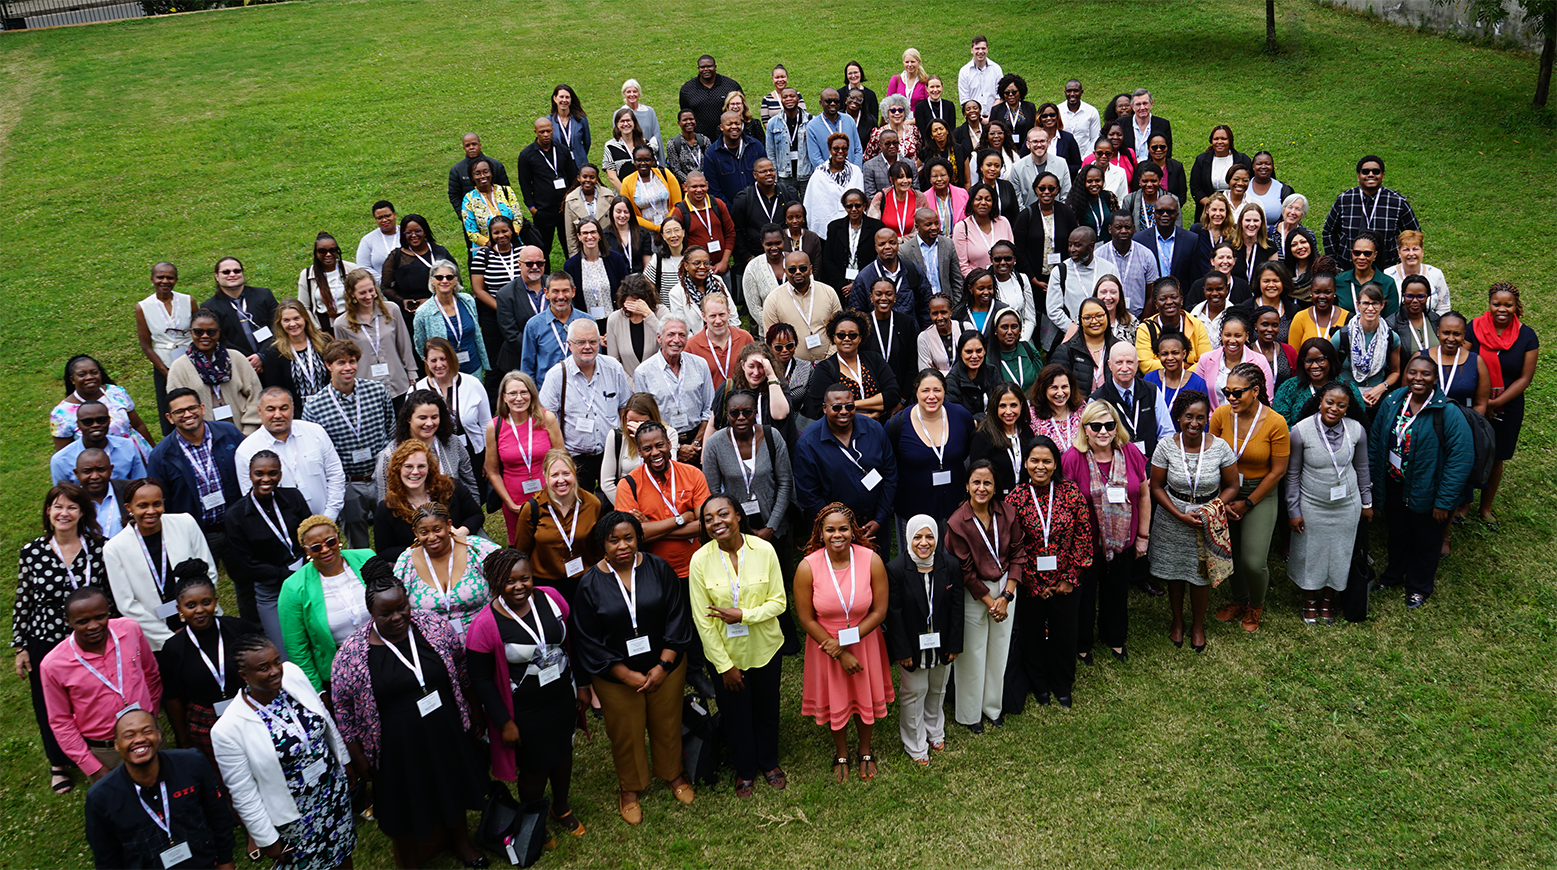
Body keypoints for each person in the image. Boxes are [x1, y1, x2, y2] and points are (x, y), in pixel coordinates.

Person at [330, 563, 487, 867]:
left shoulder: (433, 626)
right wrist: (356, 755)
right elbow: (343, 709)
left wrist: (474, 709)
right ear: (371, 614)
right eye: (386, 614)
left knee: (451, 782)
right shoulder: (351, 653)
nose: (397, 617)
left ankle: (461, 842)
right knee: (406, 800)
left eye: (402, 608)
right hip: (395, 744)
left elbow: (460, 668)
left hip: (445, 727)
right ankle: (411, 859)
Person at [572, 511, 697, 823]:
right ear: (603, 544)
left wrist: (663, 665)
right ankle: (630, 787)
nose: (622, 546)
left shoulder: (659, 568)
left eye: (628, 538)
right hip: (616, 677)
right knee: (625, 731)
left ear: (638, 538)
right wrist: (625, 674)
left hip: (664, 666)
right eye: (614, 540)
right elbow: (587, 639)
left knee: (667, 721)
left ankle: (673, 774)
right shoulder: (588, 585)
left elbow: (677, 617)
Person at [466, 547, 586, 840]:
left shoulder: (551, 598)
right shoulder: (484, 625)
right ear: (495, 584)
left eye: (525, 578)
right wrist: (504, 721)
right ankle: (534, 819)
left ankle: (561, 806)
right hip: (524, 709)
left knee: (562, 753)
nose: (519, 586)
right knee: (534, 768)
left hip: (561, 695)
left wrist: (582, 686)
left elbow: (572, 641)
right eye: (510, 581)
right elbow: (480, 679)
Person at [211, 633, 356, 869]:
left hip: (332, 792)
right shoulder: (228, 729)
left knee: (342, 856)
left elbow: (324, 716)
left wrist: (345, 760)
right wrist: (267, 839)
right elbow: (243, 792)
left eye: (276, 661)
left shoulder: (293, 675)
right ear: (244, 675)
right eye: (263, 668)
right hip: (294, 817)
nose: (275, 671)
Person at [14, 484, 113, 793]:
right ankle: (58, 762)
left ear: (82, 511)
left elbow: (111, 593)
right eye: (57, 507)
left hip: (93, 637)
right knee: (49, 702)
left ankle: (99, 748)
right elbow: (23, 599)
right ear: (48, 512)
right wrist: (20, 645)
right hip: (47, 638)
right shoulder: (32, 552)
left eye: (71, 507)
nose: (64, 513)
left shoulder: (100, 547)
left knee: (94, 695)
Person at [686, 495, 788, 795]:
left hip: (766, 648)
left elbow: (779, 603)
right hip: (727, 655)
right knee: (735, 712)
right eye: (709, 518)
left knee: (767, 707)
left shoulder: (764, 550)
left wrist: (744, 615)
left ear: (738, 515)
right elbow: (702, 621)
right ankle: (744, 769)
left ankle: (769, 761)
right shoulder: (700, 560)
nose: (717, 522)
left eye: (723, 514)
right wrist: (724, 666)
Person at [793, 502, 893, 781]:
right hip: (825, 645)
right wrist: (837, 650)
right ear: (820, 533)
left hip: (865, 639)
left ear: (853, 531)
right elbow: (806, 618)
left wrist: (850, 640)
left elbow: (880, 610)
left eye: (843, 529)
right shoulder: (807, 567)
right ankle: (840, 753)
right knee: (836, 698)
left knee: (864, 696)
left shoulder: (870, 559)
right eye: (830, 530)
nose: (837, 535)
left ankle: (865, 750)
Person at [1369, 357, 1472, 607]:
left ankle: (1419, 587)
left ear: (1435, 379)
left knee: (1427, 541)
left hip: (1430, 490)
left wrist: (1444, 502)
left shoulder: (1447, 411)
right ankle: (1393, 575)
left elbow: (1461, 460)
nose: (1418, 378)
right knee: (1397, 533)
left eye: (1425, 374)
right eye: (1412, 372)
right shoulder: (1393, 402)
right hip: (1395, 485)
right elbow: (1376, 442)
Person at [83, 707, 234, 869]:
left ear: (159, 735)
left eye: (147, 731)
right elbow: (106, 857)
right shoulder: (101, 797)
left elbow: (218, 816)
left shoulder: (192, 764)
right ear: (117, 746)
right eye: (129, 735)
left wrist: (225, 859)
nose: (139, 739)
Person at [1148, 389, 1240, 651]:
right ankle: (1177, 621)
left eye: (1200, 417)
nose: (1194, 423)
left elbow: (1232, 485)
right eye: (1189, 416)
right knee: (1175, 573)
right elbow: (1156, 486)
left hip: (1206, 518)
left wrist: (1212, 508)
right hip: (1171, 517)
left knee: (1201, 574)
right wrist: (1178, 515)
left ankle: (1197, 625)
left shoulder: (1220, 447)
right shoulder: (1165, 445)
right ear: (1179, 417)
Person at [1061, 400, 1150, 664]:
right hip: (1086, 544)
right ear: (1085, 428)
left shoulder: (1130, 452)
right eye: (1096, 425)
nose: (1103, 431)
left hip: (1123, 540)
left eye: (1109, 425)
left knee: (1117, 590)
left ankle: (1115, 638)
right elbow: (1066, 504)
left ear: (1116, 427)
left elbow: (1144, 495)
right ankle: (1083, 643)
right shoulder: (1072, 458)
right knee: (1085, 596)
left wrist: (1143, 537)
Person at [40, 586, 160, 781]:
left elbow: (151, 675)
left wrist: (151, 716)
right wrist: (93, 767)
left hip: (147, 735)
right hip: (105, 751)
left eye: (100, 617)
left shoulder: (130, 630)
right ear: (68, 622)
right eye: (83, 622)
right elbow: (60, 721)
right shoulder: (53, 665)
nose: (93, 626)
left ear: (108, 611)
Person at [1207, 363, 1290, 633]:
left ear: (1255, 391)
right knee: (1231, 554)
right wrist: (1224, 498)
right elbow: (1211, 458)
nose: (1230, 398)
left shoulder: (1276, 422)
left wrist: (1248, 502)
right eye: (1226, 392)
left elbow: (1278, 472)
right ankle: (1239, 600)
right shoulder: (1220, 415)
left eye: (1237, 393)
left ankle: (1256, 604)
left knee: (1253, 561)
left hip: (1260, 493)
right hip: (1226, 491)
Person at [944, 460, 1024, 730]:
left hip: (1005, 588)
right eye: (976, 482)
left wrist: (1007, 595)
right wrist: (993, 603)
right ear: (966, 486)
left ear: (995, 487)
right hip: (974, 593)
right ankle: (971, 714)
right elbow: (965, 573)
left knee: (999, 651)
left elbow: (1017, 554)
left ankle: (992, 708)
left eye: (987, 482)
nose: (981, 487)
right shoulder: (957, 522)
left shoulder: (1008, 513)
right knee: (973, 655)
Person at [1284, 382, 1372, 623]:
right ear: (1320, 401)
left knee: (1340, 553)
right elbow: (1292, 474)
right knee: (1310, 553)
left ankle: (1328, 600)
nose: (1334, 408)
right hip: (1312, 504)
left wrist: (1367, 503)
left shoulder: (1357, 430)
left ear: (1348, 407)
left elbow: (1363, 468)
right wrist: (1293, 510)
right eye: (1329, 402)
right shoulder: (1300, 431)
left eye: (1341, 405)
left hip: (1347, 505)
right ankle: (1310, 599)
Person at [102, 477, 220, 651]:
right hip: (157, 637)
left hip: (201, 620)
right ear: (129, 508)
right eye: (142, 506)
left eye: (157, 504)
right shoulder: (115, 548)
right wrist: (170, 639)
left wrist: (198, 615)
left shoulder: (185, 523)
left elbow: (208, 571)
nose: (151, 511)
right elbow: (127, 604)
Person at [882, 513, 961, 764]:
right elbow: (893, 614)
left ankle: (935, 730)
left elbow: (957, 608)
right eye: (917, 537)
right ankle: (915, 743)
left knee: (938, 688)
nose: (924, 542)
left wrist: (955, 643)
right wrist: (902, 651)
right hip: (912, 646)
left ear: (937, 538)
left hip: (942, 643)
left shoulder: (950, 565)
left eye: (929, 536)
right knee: (915, 692)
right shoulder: (895, 569)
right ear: (908, 538)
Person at [302, 340, 396, 549]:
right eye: (341, 362)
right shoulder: (314, 406)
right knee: (357, 540)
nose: (348, 368)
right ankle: (363, 574)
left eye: (352, 361)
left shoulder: (377, 391)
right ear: (328, 365)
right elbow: (315, 450)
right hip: (348, 483)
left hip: (382, 476)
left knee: (392, 530)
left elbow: (391, 427)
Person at [158, 567, 250, 771]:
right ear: (179, 609)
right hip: (204, 722)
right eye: (190, 605)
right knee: (221, 775)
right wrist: (184, 741)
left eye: (206, 602)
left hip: (246, 709)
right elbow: (173, 699)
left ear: (215, 602)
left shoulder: (239, 629)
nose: (199, 610)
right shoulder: (173, 649)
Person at [792, 382, 897, 551]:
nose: (844, 412)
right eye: (836, 407)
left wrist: (880, 518)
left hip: (876, 526)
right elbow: (809, 495)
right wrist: (841, 527)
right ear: (825, 408)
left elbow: (890, 474)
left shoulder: (875, 430)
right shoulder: (808, 443)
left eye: (849, 406)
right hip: (835, 532)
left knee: (878, 573)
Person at [275, 516, 373, 695]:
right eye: (316, 547)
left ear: (338, 538)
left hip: (385, 651)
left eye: (330, 541)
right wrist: (318, 691)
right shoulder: (294, 587)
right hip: (342, 671)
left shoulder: (366, 557)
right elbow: (297, 648)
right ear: (306, 551)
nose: (326, 549)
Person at [1469, 281, 1539, 530]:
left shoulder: (1527, 336)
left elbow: (1525, 378)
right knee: (1468, 450)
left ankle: (1485, 507)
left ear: (1516, 306)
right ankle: (1463, 504)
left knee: (1498, 455)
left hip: (1507, 404)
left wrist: (1495, 402)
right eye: (1496, 303)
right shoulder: (1473, 328)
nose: (1502, 309)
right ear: (1488, 304)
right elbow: (1464, 363)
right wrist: (1481, 401)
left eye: (1507, 305)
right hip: (1473, 401)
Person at [224, 451, 310, 653]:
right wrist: (286, 576)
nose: (265, 479)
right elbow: (246, 564)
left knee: (317, 639)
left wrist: (305, 570)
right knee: (285, 651)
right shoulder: (236, 515)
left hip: (306, 580)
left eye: (272, 473)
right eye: (259, 473)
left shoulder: (293, 497)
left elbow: (310, 536)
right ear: (250, 475)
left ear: (280, 475)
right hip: (270, 590)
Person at [539, 318, 632, 493]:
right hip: (576, 456)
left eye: (593, 341)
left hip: (611, 453)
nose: (587, 347)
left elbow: (625, 408)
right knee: (582, 508)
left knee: (615, 503)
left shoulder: (613, 368)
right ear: (569, 344)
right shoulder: (557, 375)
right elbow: (546, 420)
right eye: (581, 342)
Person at [392, 502, 501, 641]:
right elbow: (397, 605)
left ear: (449, 525)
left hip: (483, 638)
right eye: (424, 532)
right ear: (415, 532)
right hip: (433, 647)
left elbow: (511, 577)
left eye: (437, 529)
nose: (432, 537)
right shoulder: (406, 562)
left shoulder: (477, 549)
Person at [888, 368, 977, 534]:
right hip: (913, 510)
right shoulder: (898, 423)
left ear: (944, 391)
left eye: (937, 390)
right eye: (925, 390)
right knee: (917, 557)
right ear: (916, 392)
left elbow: (966, 450)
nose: (931, 396)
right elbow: (890, 461)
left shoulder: (961, 416)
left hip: (954, 505)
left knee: (952, 556)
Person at [511, 449, 604, 604]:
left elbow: (598, 550)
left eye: (566, 473)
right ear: (546, 477)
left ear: (574, 473)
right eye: (555, 475)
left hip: (584, 582)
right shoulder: (532, 509)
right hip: (546, 586)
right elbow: (522, 553)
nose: (561, 480)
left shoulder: (592, 504)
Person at [703, 389, 793, 546]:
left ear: (756, 413)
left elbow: (785, 483)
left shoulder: (773, 437)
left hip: (774, 524)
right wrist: (740, 527)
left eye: (747, 412)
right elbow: (713, 492)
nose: (741, 418)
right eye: (734, 413)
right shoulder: (714, 444)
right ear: (727, 415)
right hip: (733, 527)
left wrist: (771, 527)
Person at [484, 371, 565, 542]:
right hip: (515, 501)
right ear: (504, 397)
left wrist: (558, 493)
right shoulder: (494, 426)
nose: (518, 398)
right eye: (512, 393)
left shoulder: (546, 418)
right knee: (522, 545)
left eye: (523, 392)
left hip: (550, 495)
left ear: (531, 394)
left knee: (554, 542)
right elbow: (492, 471)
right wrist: (509, 503)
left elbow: (562, 458)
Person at [374, 441, 483, 567]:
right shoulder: (387, 507)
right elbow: (384, 551)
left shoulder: (450, 488)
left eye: (421, 466)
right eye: (408, 466)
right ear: (398, 469)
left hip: (460, 557)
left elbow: (476, 515)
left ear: (429, 468)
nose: (415, 472)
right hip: (419, 566)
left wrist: (460, 533)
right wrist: (419, 549)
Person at [373, 385, 480, 505]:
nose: (429, 423)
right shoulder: (390, 455)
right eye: (422, 418)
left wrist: (473, 517)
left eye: (434, 417)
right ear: (409, 418)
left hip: (455, 518)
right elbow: (384, 500)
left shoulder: (453, 443)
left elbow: (470, 485)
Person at [166, 310, 263, 434]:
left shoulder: (236, 358)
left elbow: (256, 396)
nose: (205, 336)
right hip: (202, 437)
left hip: (244, 432)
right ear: (191, 333)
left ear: (219, 333)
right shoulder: (179, 367)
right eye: (198, 332)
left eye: (211, 332)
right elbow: (177, 407)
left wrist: (248, 432)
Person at [331, 269, 418, 402]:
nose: (368, 296)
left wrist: (412, 374)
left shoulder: (392, 310)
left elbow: (404, 345)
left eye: (371, 290)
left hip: (398, 384)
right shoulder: (341, 324)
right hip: (367, 391)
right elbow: (344, 360)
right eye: (362, 293)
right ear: (351, 294)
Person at [1322, 155, 1420, 270]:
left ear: (1382, 176)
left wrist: (1402, 262)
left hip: (1386, 270)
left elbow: (1414, 235)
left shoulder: (1398, 203)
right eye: (1365, 172)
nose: (1371, 174)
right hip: (1348, 268)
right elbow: (1329, 232)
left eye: (1376, 171)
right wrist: (1333, 261)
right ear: (1358, 176)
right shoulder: (1344, 200)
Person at [803, 310, 900, 422]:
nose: (847, 339)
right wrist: (867, 417)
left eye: (852, 335)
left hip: (877, 429)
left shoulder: (875, 359)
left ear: (860, 338)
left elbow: (893, 396)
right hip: (841, 432)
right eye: (841, 335)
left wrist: (848, 405)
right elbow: (823, 409)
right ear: (833, 338)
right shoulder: (824, 369)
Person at [134, 262, 197, 433]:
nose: (165, 281)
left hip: (191, 359)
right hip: (164, 363)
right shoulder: (143, 307)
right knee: (169, 406)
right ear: (152, 279)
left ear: (176, 280)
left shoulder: (187, 300)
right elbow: (146, 346)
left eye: (170, 277)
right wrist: (166, 372)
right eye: (160, 277)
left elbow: (198, 331)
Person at [1333, 283, 1401, 419]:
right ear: (1358, 305)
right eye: (1366, 303)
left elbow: (1395, 371)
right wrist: (1353, 393)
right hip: (1346, 403)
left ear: (1382, 305)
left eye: (1375, 304)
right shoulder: (1342, 336)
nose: (1370, 308)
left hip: (1378, 405)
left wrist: (1382, 387)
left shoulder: (1391, 337)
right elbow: (1329, 371)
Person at [202, 255, 279, 376]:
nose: (232, 274)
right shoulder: (210, 308)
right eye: (226, 272)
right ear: (217, 276)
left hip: (273, 359)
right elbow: (219, 340)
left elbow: (277, 325)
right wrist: (248, 360)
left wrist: (262, 355)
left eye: (236, 271)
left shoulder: (264, 295)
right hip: (239, 368)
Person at [411, 262, 489, 381]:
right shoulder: (423, 312)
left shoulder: (468, 301)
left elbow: (475, 332)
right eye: (439, 277)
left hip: (473, 368)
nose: (444, 280)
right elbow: (421, 345)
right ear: (432, 281)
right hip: (444, 372)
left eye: (449, 277)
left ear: (455, 280)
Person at [516, 117, 579, 259]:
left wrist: (572, 202)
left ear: (553, 130)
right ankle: (543, 278)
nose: (546, 134)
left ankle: (573, 276)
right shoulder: (527, 155)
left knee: (570, 245)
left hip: (565, 209)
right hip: (543, 210)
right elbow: (525, 184)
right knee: (543, 248)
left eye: (548, 131)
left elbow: (573, 177)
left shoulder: (562, 150)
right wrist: (532, 208)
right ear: (535, 132)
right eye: (542, 132)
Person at [762, 252, 841, 363]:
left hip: (830, 362)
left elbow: (839, 329)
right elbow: (771, 340)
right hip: (793, 368)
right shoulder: (773, 300)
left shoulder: (828, 292)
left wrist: (829, 360)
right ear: (785, 271)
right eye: (792, 270)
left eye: (803, 268)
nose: (798, 272)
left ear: (811, 269)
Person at [51, 399, 148, 485]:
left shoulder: (128, 447)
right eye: (87, 422)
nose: (95, 425)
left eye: (101, 420)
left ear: (109, 421)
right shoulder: (61, 460)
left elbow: (140, 485)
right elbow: (63, 498)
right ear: (78, 425)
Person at [1274, 338, 1367, 425]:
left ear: (1331, 360)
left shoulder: (1348, 388)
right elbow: (1281, 425)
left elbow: (1359, 423)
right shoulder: (1289, 387)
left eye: (1320, 360)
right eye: (1308, 361)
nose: (1314, 366)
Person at [260, 299, 332, 411]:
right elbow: (276, 390)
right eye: (286, 320)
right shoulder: (274, 352)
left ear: (305, 318)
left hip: (329, 406)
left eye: (296, 318)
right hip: (296, 413)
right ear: (280, 323)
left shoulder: (324, 342)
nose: (292, 324)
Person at [378, 215, 456, 318]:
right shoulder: (396, 257)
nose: (413, 235)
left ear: (425, 231)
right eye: (408, 232)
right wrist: (403, 301)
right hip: (410, 314)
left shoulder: (440, 252)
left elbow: (455, 280)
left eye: (418, 231)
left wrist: (431, 301)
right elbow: (385, 287)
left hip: (441, 309)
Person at [1193, 309, 1273, 409]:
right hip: (1214, 421)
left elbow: (1267, 400)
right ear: (1221, 335)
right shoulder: (1206, 360)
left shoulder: (1260, 361)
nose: (1232, 340)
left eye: (1238, 336)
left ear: (1246, 336)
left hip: (1249, 422)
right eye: (1227, 335)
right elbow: (1197, 397)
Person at [521, 270, 593, 380]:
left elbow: (595, 360)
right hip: (547, 391)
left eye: (565, 291)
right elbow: (527, 367)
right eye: (555, 291)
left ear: (573, 292)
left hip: (582, 389)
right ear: (546, 293)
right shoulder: (534, 325)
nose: (560, 296)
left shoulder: (587, 322)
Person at [859, 276, 924, 392]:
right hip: (870, 394)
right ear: (871, 297)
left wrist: (903, 399)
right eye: (878, 294)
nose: (883, 298)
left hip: (901, 394)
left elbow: (912, 364)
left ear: (895, 297)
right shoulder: (862, 324)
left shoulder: (906, 323)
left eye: (888, 294)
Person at [563, 217, 630, 328]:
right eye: (585, 233)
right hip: (586, 324)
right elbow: (572, 299)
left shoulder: (615, 259)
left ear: (599, 235)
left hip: (616, 322)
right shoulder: (571, 265)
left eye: (593, 232)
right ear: (579, 237)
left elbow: (625, 289)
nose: (589, 236)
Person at [460, 155, 527, 262]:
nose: (482, 176)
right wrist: (492, 245)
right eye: (477, 173)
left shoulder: (506, 191)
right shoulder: (469, 199)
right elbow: (471, 231)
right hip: (486, 251)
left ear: (491, 173)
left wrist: (509, 238)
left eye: (486, 172)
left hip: (513, 245)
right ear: (472, 177)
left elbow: (518, 217)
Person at [1136, 277, 1210, 373]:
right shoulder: (1145, 329)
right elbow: (1146, 366)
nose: (1169, 302)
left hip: (1192, 383)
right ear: (1156, 304)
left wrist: (1183, 373)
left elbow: (1207, 362)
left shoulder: (1196, 324)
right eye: (1163, 299)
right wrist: (1185, 365)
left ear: (1182, 300)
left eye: (1174, 297)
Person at [819, 188, 885, 296]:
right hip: (840, 286)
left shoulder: (876, 227)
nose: (854, 209)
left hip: (868, 285)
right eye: (849, 206)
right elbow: (827, 259)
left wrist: (858, 283)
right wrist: (843, 284)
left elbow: (878, 259)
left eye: (858, 205)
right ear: (844, 207)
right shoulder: (834, 227)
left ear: (864, 206)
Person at [670, 174, 737, 280]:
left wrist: (724, 262)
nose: (699, 190)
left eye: (702, 186)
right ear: (685, 187)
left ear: (707, 185)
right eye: (694, 186)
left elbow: (730, 233)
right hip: (697, 272)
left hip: (722, 269)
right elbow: (676, 243)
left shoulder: (718, 205)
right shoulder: (680, 211)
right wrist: (700, 266)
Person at [1095, 210, 1161, 316]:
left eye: (1128, 227)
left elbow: (1152, 295)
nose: (1124, 231)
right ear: (1110, 229)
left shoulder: (1146, 255)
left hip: (1138, 318)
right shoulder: (1098, 255)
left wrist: (1142, 324)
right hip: (1105, 318)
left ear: (1134, 229)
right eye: (1118, 227)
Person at [686, 291, 754, 389]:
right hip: (709, 403)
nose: (718, 321)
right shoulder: (691, 347)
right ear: (704, 316)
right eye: (712, 316)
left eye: (722, 314)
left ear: (729, 313)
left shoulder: (745, 338)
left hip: (741, 401)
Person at [803, 137, 866, 241]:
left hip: (853, 226)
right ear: (829, 150)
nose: (840, 151)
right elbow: (812, 204)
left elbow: (862, 199)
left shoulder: (856, 171)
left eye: (844, 148)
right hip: (826, 229)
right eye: (836, 148)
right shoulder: (819, 174)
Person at [1052, 296, 1117, 397]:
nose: (1094, 321)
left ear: (1107, 317)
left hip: (1113, 408)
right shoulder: (1066, 350)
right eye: (1087, 318)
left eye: (1099, 316)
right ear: (1080, 321)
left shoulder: (1119, 348)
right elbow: (1053, 386)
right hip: (1078, 409)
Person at [604, 273, 665, 378]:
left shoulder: (661, 312)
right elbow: (614, 362)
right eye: (630, 303)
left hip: (660, 381)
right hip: (629, 385)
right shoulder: (614, 319)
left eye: (637, 302)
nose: (635, 307)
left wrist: (648, 315)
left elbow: (670, 339)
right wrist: (633, 386)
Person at [295, 233, 358, 331]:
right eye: (322, 251)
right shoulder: (307, 275)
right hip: (324, 328)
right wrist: (317, 330)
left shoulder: (351, 269)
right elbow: (304, 307)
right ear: (316, 253)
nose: (328, 254)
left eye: (332, 250)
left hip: (352, 323)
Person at [1286, 258, 1349, 349]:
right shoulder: (1300, 318)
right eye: (1317, 292)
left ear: (1334, 292)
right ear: (1311, 292)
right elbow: (1294, 355)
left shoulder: (1348, 318)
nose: (1322, 296)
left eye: (1327, 292)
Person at [620, 145, 685, 234]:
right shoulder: (627, 182)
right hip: (645, 232)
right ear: (634, 162)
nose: (643, 163)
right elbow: (630, 213)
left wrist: (665, 226)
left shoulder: (665, 174)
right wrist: (657, 228)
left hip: (671, 227)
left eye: (647, 160)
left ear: (653, 161)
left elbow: (677, 204)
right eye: (639, 160)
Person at [952, 183, 1013, 276]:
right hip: (977, 285)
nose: (983, 203)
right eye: (978, 199)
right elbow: (962, 265)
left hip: (1003, 280)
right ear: (972, 201)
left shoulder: (1003, 222)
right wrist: (982, 282)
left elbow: (1011, 255)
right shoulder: (962, 227)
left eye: (988, 199)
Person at [1385, 229, 1451, 315]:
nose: (1411, 254)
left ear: (1422, 251)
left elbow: (1444, 308)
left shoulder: (1436, 274)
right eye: (1406, 250)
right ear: (1399, 253)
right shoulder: (1388, 275)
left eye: (1415, 249)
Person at [448, 132, 512, 220]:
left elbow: (506, 190)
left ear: (480, 145)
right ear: (464, 148)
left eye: (474, 144)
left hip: (499, 216)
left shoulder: (496, 165)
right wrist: (464, 216)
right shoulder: (457, 170)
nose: (471, 147)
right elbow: (454, 195)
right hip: (472, 219)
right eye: (467, 145)